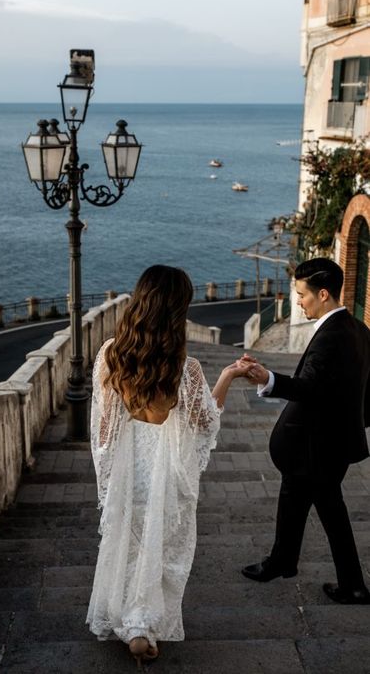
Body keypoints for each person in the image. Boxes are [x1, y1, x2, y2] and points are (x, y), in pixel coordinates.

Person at [86, 265, 248, 667]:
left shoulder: (110, 355)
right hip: (165, 472)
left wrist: (108, 482)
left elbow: (103, 431)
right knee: (160, 548)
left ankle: (129, 620)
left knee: (128, 544)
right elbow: (206, 422)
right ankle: (143, 625)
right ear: (178, 311)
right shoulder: (185, 369)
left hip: (127, 468)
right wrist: (227, 375)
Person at [242, 257, 370, 604]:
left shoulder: (332, 336)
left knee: (331, 511)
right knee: (295, 498)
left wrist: (267, 379)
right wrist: (353, 421)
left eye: (302, 295)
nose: (298, 302)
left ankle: (352, 585)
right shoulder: (359, 330)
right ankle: (283, 561)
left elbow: (309, 387)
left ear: (323, 294)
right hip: (328, 444)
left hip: (318, 446)